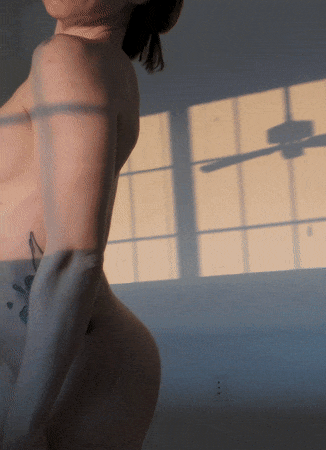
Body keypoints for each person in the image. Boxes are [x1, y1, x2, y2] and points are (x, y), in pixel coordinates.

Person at [0, 0, 182, 448]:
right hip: (61, 364)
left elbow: (76, 255)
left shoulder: (69, 57)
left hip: (74, 369)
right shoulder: (79, 62)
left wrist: (22, 429)